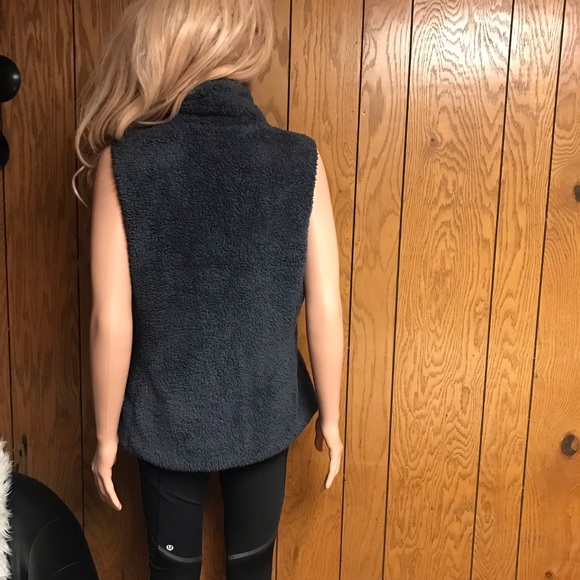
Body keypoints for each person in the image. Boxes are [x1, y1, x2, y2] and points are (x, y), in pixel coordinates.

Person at [73, 0, 344, 578]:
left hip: (165, 412)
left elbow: (110, 320)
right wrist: (332, 415)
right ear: (249, 45)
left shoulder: (126, 164)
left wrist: (105, 437)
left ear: (160, 43)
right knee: (253, 566)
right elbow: (325, 306)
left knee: (170, 569)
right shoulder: (301, 159)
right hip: (266, 407)